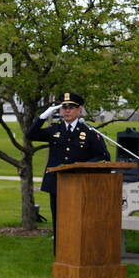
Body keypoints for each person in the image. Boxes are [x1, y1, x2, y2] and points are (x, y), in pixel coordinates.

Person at [25, 91, 109, 247]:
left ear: (79, 110)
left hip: (79, 184)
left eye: (71, 107)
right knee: (59, 221)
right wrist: (43, 116)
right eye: (64, 107)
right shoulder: (54, 129)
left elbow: (103, 156)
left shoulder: (89, 133)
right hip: (57, 184)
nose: (67, 110)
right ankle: (59, 255)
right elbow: (31, 134)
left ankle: (78, 251)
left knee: (78, 221)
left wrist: (82, 167)